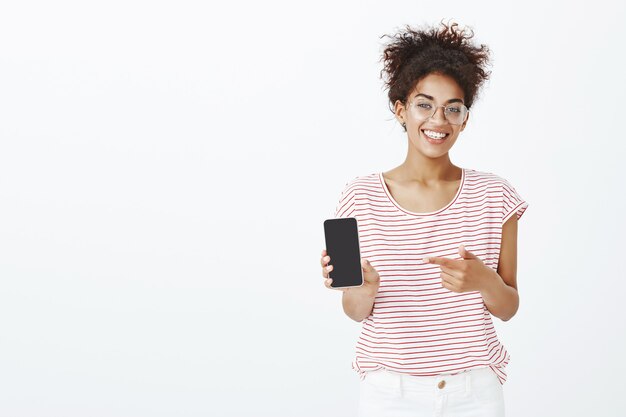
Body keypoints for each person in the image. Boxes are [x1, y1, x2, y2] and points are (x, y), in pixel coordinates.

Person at [320, 19, 529, 417]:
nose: (438, 120)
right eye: (424, 105)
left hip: (475, 393)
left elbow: (508, 307)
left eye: (453, 108)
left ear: (465, 118)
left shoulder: (495, 196)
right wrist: (363, 288)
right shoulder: (359, 196)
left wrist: (483, 280)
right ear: (401, 110)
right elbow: (355, 310)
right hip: (389, 394)